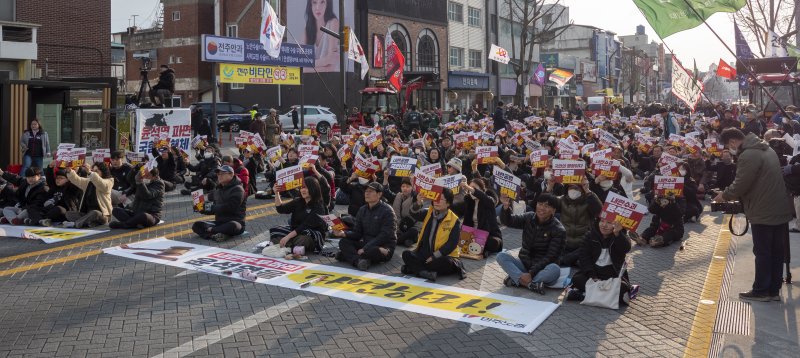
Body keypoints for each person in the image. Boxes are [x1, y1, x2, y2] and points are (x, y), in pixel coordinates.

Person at [714, 128, 793, 302]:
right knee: (776, 251)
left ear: (733, 142)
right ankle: (773, 290)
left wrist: (724, 194)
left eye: (728, 145)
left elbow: (742, 183)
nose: (729, 148)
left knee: (763, 251)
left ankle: (761, 290)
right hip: (779, 207)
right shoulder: (766, 148)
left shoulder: (749, 154)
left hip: (763, 209)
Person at [497, 193, 566, 294]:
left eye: (547, 206)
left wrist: (531, 273)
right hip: (525, 264)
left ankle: (518, 280)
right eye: (540, 204)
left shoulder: (559, 230)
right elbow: (509, 221)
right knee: (501, 256)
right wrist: (506, 207)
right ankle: (531, 284)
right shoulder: (529, 217)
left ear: (554, 210)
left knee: (554, 269)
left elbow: (551, 256)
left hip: (543, 268)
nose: (542, 208)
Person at [401, 188, 465, 281]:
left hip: (442, 256)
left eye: (441, 199)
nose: (437, 202)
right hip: (425, 253)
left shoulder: (455, 220)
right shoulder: (429, 212)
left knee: (446, 263)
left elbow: (452, 244)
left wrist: (434, 256)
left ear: (448, 203)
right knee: (406, 254)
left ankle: (414, 268)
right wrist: (418, 203)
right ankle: (423, 272)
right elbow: (415, 214)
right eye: (435, 199)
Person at [566, 216, 633, 304]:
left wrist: (617, 233)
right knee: (577, 279)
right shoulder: (590, 236)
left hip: (612, 276)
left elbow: (626, 248)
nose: (604, 225)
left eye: (609, 222)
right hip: (594, 275)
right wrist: (593, 276)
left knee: (622, 288)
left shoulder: (621, 236)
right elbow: (584, 257)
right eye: (602, 221)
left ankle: (584, 295)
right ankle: (607, 297)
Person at [333, 182, 397, 271]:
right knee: (343, 242)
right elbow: (357, 233)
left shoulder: (388, 211)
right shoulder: (362, 209)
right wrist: (344, 234)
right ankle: (359, 261)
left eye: (370, 191)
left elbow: (384, 236)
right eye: (366, 191)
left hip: (383, 246)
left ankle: (348, 256)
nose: (367, 193)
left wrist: (365, 248)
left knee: (373, 251)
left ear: (379, 194)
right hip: (366, 244)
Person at [269, 176, 328, 254]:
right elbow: (281, 209)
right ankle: (293, 248)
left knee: (304, 237)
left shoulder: (319, 207)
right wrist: (277, 193)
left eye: (306, 188)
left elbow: (304, 226)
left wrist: (287, 237)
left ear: (313, 189)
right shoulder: (298, 201)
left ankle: (286, 245)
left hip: (310, 233)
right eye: (301, 187)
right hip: (295, 231)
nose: (303, 190)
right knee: (274, 230)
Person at [192, 165, 247, 242]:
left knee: (233, 225)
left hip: (234, 222)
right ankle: (215, 235)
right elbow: (212, 206)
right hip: (220, 223)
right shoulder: (218, 190)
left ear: (231, 174)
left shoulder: (238, 189)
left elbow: (230, 207)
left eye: (223, 174)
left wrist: (211, 208)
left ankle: (212, 231)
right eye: (218, 174)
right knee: (196, 225)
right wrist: (201, 208)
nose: (219, 176)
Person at [558, 180, 603, 267]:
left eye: (576, 187)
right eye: (571, 187)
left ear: (582, 189)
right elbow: (546, 203)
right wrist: (549, 187)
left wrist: (588, 191)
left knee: (586, 254)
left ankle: (567, 260)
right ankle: (570, 260)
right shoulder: (562, 200)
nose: (573, 190)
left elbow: (600, 211)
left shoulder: (589, 199)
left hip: (582, 243)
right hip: (565, 242)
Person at [63, 163, 114, 228]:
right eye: (93, 171)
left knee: (95, 213)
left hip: (103, 215)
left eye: (96, 171)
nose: (94, 173)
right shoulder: (89, 182)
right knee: (69, 214)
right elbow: (77, 180)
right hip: (88, 214)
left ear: (103, 172)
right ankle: (89, 223)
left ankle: (76, 224)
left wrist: (90, 172)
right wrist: (69, 171)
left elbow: (102, 184)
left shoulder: (109, 181)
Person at [304, 0, 340, 72]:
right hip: (312, 80)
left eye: (322, 2)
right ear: (310, 5)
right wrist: (326, 60)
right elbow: (301, 64)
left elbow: (330, 68)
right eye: (314, 2)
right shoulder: (307, 28)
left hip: (331, 79)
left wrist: (308, 67)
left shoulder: (333, 23)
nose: (318, 7)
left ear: (327, 4)